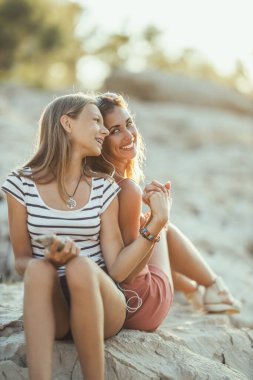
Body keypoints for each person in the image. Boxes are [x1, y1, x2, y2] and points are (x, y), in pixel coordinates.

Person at [1, 93, 171, 380]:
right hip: (54, 300)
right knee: (40, 269)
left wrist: (159, 222)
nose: (103, 130)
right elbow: (21, 259)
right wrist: (52, 259)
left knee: (81, 266)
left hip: (103, 300)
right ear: (67, 124)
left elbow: (117, 268)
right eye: (96, 121)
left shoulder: (105, 188)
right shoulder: (20, 184)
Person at [93, 92, 241, 324]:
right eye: (115, 130)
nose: (129, 135)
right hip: (143, 304)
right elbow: (129, 271)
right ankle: (214, 288)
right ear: (99, 139)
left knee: (151, 228)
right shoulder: (126, 189)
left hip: (118, 300)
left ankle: (196, 289)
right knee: (162, 231)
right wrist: (156, 221)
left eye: (129, 124)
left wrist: (148, 221)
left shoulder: (93, 182)